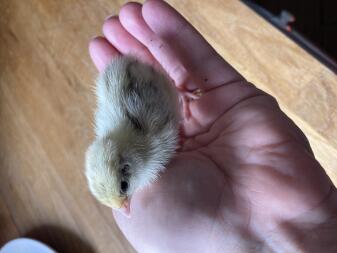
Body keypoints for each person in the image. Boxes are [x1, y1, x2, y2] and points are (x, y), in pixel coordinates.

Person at [89, 1, 337, 252]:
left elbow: (156, 96)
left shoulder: (148, 137)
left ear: (126, 165)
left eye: (123, 188)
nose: (125, 206)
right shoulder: (135, 141)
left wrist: (177, 93)